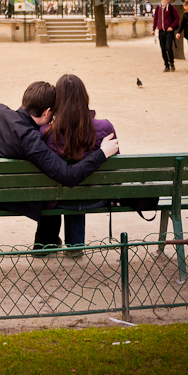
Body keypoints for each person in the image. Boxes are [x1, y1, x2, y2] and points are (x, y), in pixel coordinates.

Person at [0, 81, 119, 254]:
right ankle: (45, 244)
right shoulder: (31, 139)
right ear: (46, 112)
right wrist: (101, 153)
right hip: (3, 193)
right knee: (48, 191)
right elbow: (68, 176)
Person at [40, 74, 117, 254]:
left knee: (67, 189)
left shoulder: (45, 132)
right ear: (85, 97)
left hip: (59, 199)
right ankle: (75, 246)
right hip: (96, 197)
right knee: (82, 185)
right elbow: (115, 163)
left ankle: (54, 245)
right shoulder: (105, 128)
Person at [151, 0, 180, 71]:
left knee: (169, 48)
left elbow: (177, 18)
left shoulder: (171, 7)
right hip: (161, 31)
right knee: (163, 49)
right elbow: (155, 19)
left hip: (168, 31)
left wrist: (172, 26)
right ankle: (166, 65)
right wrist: (153, 29)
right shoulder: (157, 8)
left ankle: (172, 63)